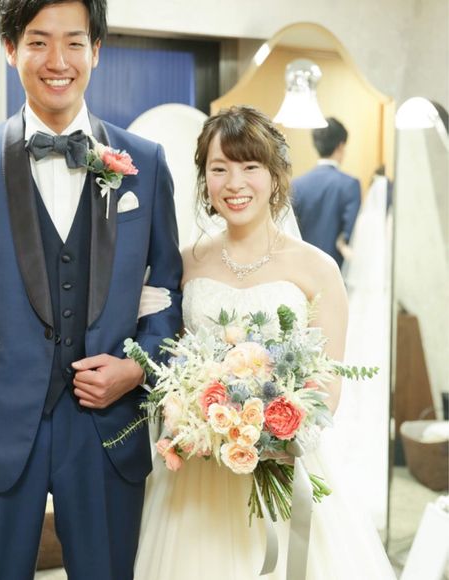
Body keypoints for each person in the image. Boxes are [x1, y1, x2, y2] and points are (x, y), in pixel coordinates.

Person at [0, 1, 182, 578]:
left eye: (74, 42)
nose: (57, 61)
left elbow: (167, 292)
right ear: (10, 49)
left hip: (107, 429)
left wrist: (137, 368)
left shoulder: (146, 163)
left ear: (96, 51)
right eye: (38, 42)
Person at [134, 106, 395, 579]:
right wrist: (197, 416)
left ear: (275, 176)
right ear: (205, 180)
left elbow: (329, 383)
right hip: (199, 470)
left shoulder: (318, 269)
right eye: (220, 169)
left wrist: (271, 433)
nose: (235, 183)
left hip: (284, 462)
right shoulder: (184, 262)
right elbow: (170, 362)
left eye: (250, 166)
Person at [292, 117, 361, 268]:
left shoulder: (297, 185)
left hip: (302, 267)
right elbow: (351, 234)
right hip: (336, 268)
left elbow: (291, 231)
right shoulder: (350, 185)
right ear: (341, 146)